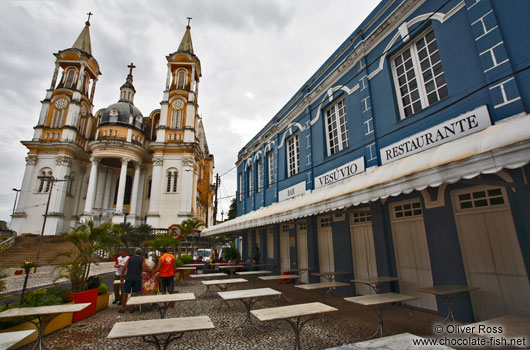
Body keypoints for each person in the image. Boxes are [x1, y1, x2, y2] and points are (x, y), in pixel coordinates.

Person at [119, 248, 148, 313]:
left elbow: (125, 267)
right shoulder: (142, 259)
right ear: (141, 254)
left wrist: (122, 276)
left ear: (135, 253)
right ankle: (131, 307)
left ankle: (123, 307)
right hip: (137, 278)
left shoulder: (130, 258)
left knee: (125, 293)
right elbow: (144, 268)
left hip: (129, 277)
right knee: (134, 293)